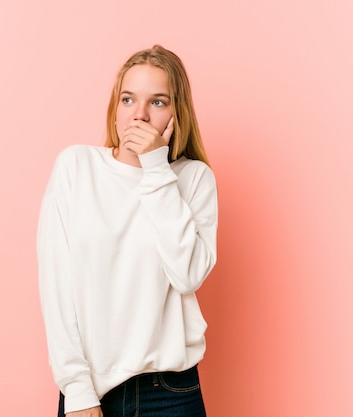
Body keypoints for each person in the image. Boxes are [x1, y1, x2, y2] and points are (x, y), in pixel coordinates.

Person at [37, 44, 218, 417]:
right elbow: (56, 285)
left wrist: (155, 167)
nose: (139, 115)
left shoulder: (193, 179)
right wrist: (77, 391)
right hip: (91, 391)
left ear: (176, 112)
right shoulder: (76, 167)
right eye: (128, 99)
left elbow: (187, 276)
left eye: (157, 102)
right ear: (114, 108)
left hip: (170, 392)